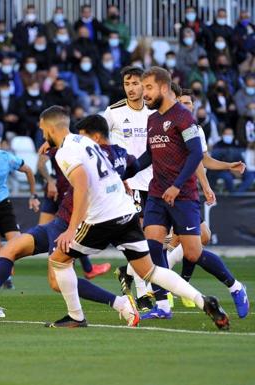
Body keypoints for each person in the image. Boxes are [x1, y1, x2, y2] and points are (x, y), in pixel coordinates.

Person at [41, 106, 227, 328]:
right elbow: (108, 169)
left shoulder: (66, 152)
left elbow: (81, 184)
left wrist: (71, 229)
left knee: (58, 260)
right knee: (150, 270)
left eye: (43, 130)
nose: (43, 135)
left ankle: (76, 316)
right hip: (125, 211)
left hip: (102, 217)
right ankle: (203, 300)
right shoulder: (85, 142)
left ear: (51, 128)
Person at [0, 115, 139, 321]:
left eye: (43, 129)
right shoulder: (67, 148)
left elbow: (124, 167)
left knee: (57, 283)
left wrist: (120, 181)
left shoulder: (82, 150)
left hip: (70, 224)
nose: (41, 134)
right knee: (9, 249)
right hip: (58, 221)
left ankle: (119, 303)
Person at [128, 66, 241, 323]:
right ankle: (162, 305)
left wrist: (177, 185)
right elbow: (149, 155)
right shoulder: (152, 119)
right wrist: (128, 169)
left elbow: (195, 155)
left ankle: (235, 286)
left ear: (164, 88)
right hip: (157, 193)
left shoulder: (183, 117)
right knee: (153, 246)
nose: (143, 93)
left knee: (193, 253)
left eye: (148, 88)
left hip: (183, 194)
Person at [102, 66, 155, 309]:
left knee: (160, 240)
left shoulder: (153, 112)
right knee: (141, 237)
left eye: (135, 83)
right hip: (128, 184)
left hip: (154, 182)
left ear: (145, 85)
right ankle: (145, 295)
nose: (131, 88)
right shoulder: (113, 112)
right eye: (127, 84)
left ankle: (128, 273)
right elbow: (96, 138)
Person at [0, 130, 40, 289]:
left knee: (18, 247)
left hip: (4, 206)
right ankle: (3, 274)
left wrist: (33, 195)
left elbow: (28, 170)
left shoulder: (7, 158)